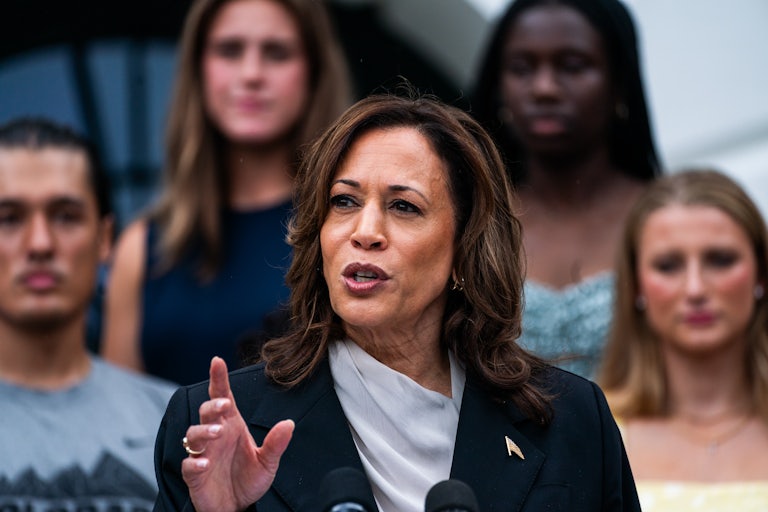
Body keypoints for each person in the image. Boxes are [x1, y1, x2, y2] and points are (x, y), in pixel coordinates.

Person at [153, 93, 639, 512]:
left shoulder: (571, 421)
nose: (364, 232)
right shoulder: (215, 425)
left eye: (404, 206)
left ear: (464, 249)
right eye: (343, 201)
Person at [101, 0, 352, 385]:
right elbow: (121, 428)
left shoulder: (350, 230)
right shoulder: (143, 248)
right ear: (198, 68)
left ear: (314, 71)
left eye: (277, 52)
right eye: (229, 50)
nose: (251, 74)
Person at [471, 0, 662, 378]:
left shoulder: (667, 217)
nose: (544, 88)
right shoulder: (473, 219)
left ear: (619, 82)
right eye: (521, 68)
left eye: (572, 66)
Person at [0, 118, 176, 509]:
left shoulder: (175, 423)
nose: (40, 244)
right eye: (9, 218)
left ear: (104, 238)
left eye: (65, 215)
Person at [598, 169, 768, 511]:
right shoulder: (593, 431)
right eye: (668, 265)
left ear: (761, 273)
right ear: (636, 285)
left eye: (720, 260)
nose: (695, 289)